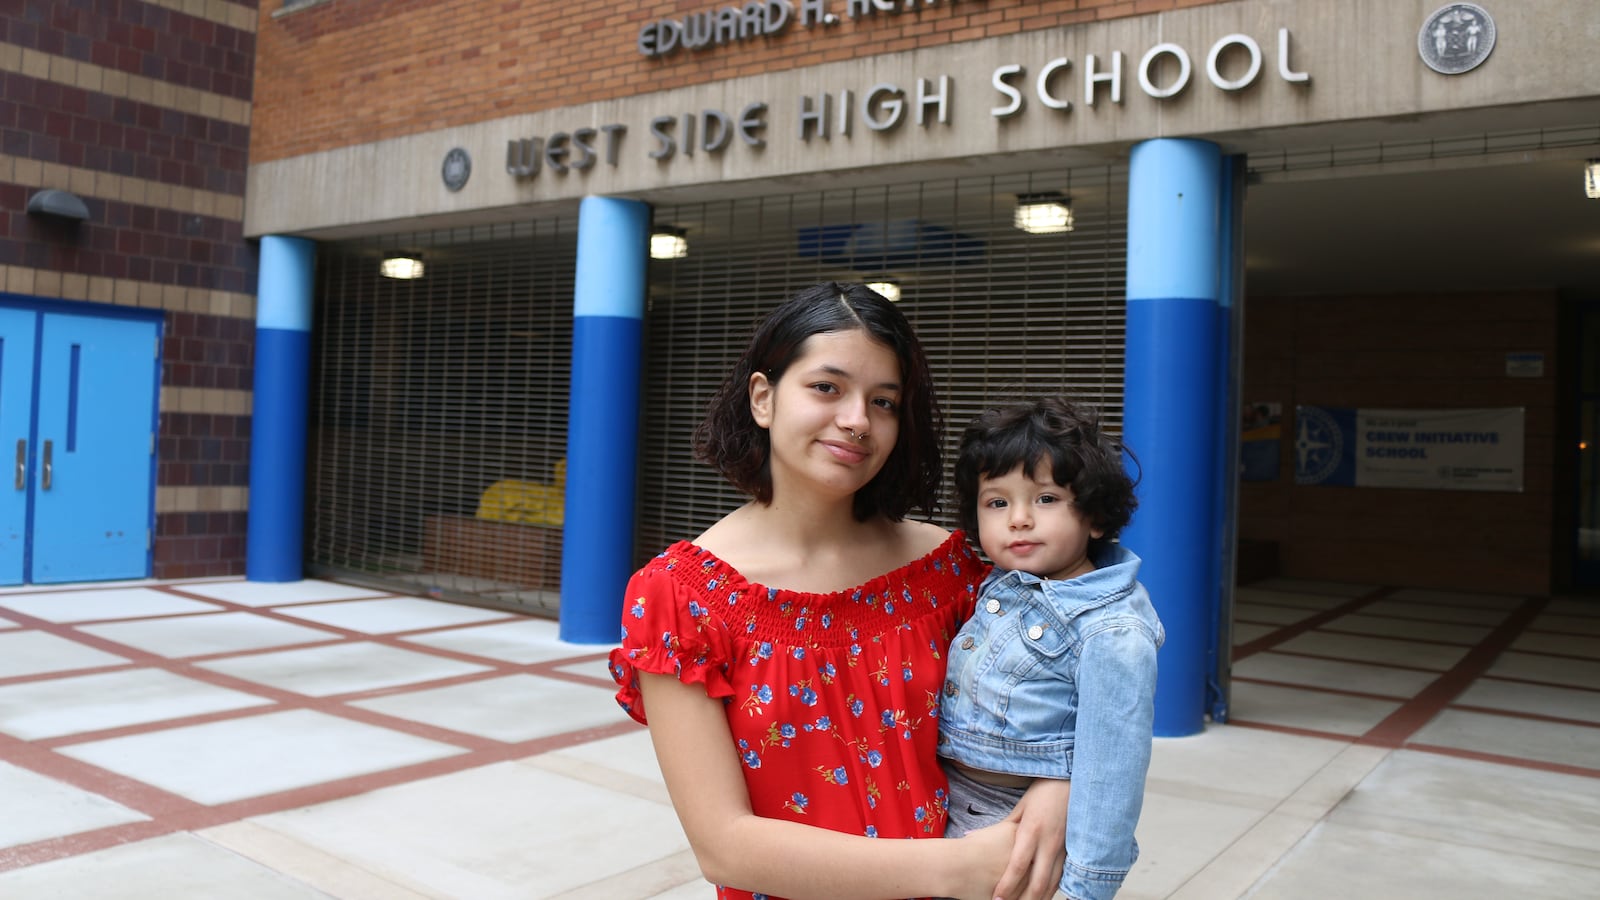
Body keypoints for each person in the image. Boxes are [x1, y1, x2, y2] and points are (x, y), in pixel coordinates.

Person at [609, 283, 1070, 900]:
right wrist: (955, 869)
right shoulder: (681, 598)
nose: (857, 420)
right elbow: (723, 844)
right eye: (827, 388)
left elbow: (1059, 702)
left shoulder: (949, 569)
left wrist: (1059, 787)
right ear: (764, 397)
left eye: (884, 401)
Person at [937, 397, 1163, 900]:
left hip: (1012, 826)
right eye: (998, 502)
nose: (1018, 519)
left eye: (1045, 499)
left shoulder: (1111, 631)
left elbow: (1112, 776)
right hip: (945, 800)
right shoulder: (1000, 584)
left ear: (1096, 516)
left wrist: (1086, 888)